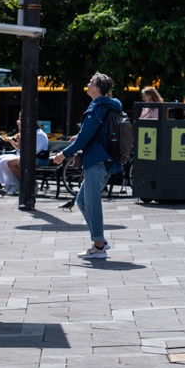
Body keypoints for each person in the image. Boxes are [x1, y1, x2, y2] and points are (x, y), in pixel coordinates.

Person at [50, 73, 124, 260]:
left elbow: (84, 139)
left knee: (92, 202)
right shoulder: (109, 106)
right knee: (83, 200)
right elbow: (97, 132)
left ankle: (98, 245)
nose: (87, 84)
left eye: (90, 82)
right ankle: (99, 241)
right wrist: (80, 136)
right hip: (106, 159)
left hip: (96, 161)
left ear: (97, 88)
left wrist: (62, 154)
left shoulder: (97, 107)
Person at [0, 117, 49, 200]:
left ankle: (21, 184)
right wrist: (14, 139)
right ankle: (8, 184)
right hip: (22, 155)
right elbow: (19, 148)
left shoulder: (39, 134)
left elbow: (34, 152)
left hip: (37, 158)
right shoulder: (26, 132)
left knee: (8, 162)